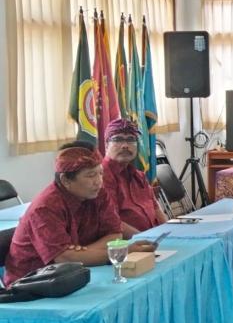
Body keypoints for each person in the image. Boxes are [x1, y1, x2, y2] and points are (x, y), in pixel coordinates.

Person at [2, 144, 154, 286]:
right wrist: (122, 252)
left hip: (78, 272)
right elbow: (64, 258)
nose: (99, 182)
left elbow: (115, 234)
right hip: (32, 284)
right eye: (90, 175)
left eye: (101, 173)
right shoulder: (45, 208)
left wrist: (80, 253)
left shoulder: (99, 193)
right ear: (65, 180)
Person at [101, 118, 168, 236]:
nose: (125, 146)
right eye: (118, 139)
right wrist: (145, 239)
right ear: (106, 145)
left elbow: (156, 208)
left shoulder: (139, 175)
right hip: (128, 243)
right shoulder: (102, 176)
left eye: (131, 140)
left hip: (153, 238)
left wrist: (169, 232)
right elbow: (111, 221)